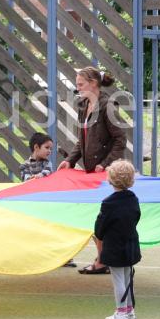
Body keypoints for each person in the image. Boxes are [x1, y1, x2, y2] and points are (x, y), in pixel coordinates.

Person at [58, 67, 127, 275]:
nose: (77, 88)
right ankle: (103, 258)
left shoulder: (107, 106)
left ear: (94, 84)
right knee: (95, 217)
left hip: (104, 173)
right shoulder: (84, 105)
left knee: (100, 218)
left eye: (80, 84)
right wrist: (70, 161)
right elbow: (83, 140)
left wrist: (105, 164)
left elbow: (120, 140)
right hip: (90, 172)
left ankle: (102, 260)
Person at [94, 160, 141, 319]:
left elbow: (100, 226)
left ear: (110, 179)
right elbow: (136, 217)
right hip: (131, 244)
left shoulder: (108, 203)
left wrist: (99, 233)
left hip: (115, 246)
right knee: (128, 278)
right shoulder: (133, 199)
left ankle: (121, 313)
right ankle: (129, 310)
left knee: (119, 280)